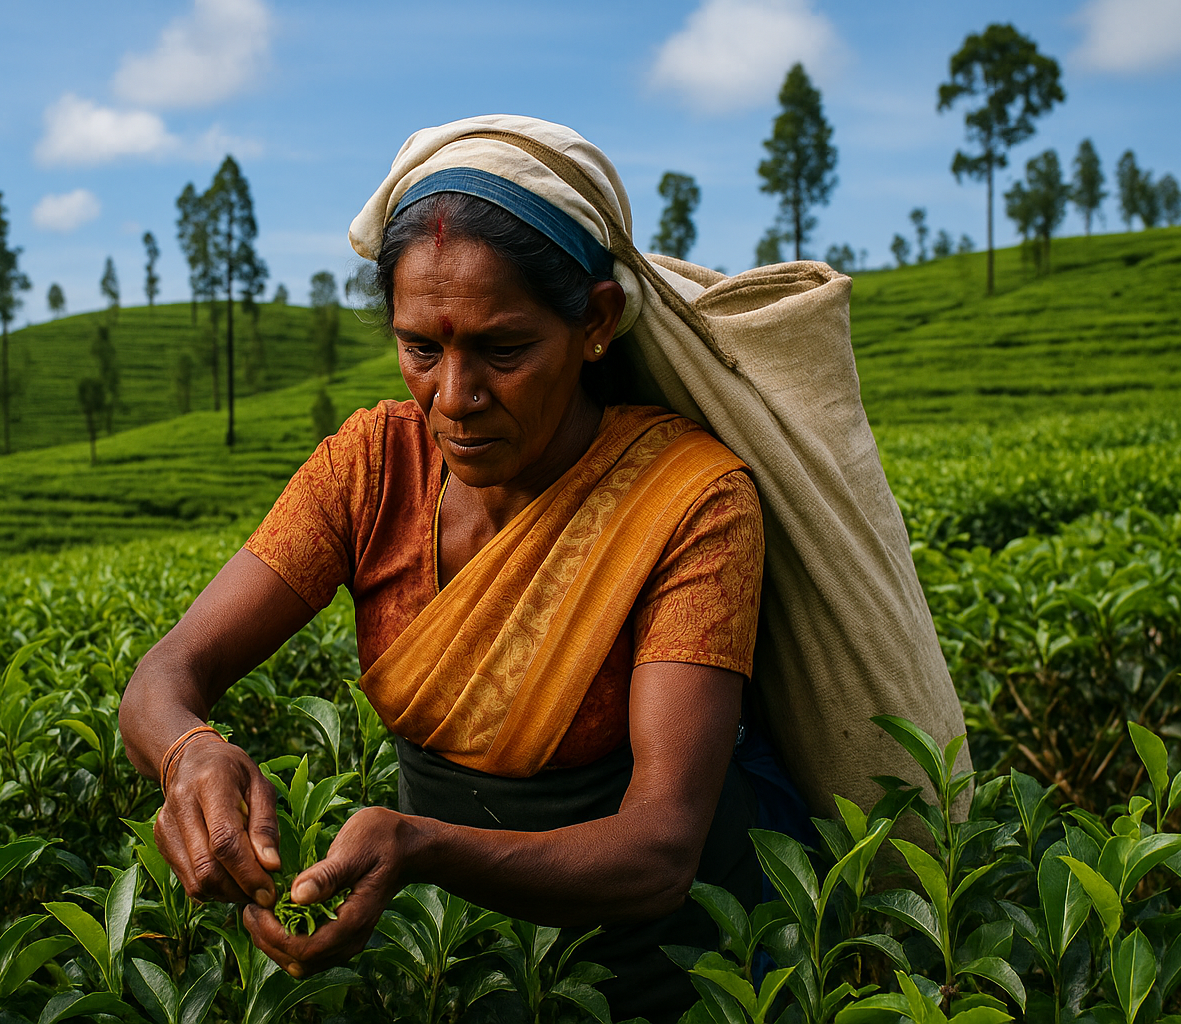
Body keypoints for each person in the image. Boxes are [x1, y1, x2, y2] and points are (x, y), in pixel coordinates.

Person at [119, 116, 807, 1022]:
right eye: (421, 348)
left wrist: (425, 849)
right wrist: (189, 752)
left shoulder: (688, 502)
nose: (454, 397)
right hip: (457, 972)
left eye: (503, 350)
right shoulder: (372, 468)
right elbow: (165, 678)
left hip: (679, 981)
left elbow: (660, 848)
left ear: (595, 323)